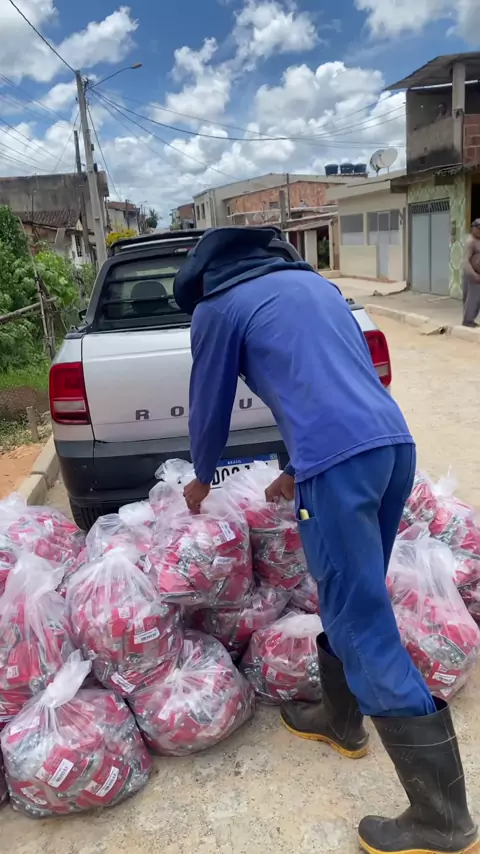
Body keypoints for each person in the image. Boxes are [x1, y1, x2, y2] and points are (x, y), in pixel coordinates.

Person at [173, 226, 477, 854]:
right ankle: (341, 720)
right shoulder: (312, 285)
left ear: (200, 281)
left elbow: (209, 402)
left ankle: (441, 818)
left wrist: (201, 477)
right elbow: (329, 382)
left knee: (364, 625)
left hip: (340, 468)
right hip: (391, 447)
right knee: (353, 597)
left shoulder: (217, 307)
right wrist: (294, 467)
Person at [463, 219, 480, 328]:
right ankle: (467, 320)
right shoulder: (471, 242)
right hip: (473, 275)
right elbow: (465, 261)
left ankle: (471, 319)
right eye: (478, 229)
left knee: (477, 299)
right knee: (472, 299)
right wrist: (474, 275)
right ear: (473, 228)